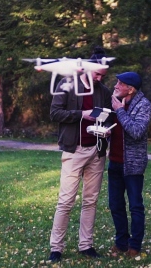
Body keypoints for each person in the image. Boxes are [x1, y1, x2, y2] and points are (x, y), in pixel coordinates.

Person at [47, 48, 113, 263]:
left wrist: (106, 128)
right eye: (97, 74)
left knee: (91, 201)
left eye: (103, 75)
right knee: (66, 201)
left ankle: (86, 245)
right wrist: (80, 114)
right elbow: (54, 113)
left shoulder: (103, 91)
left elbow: (108, 115)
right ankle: (56, 248)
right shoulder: (67, 84)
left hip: (97, 150)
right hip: (74, 150)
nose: (100, 78)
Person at [107, 71, 151, 258]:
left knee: (135, 206)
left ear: (130, 89)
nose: (116, 85)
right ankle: (121, 242)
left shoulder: (144, 105)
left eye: (120, 83)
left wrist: (119, 111)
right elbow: (117, 128)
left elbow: (136, 131)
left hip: (132, 165)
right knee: (115, 205)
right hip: (114, 162)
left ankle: (134, 246)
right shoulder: (117, 101)